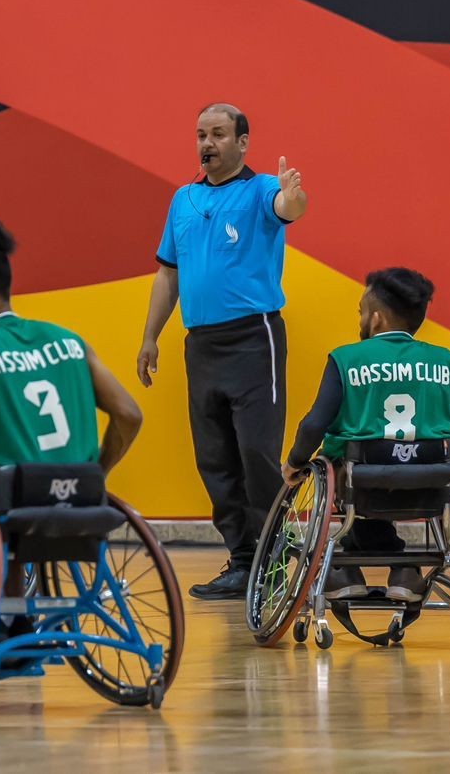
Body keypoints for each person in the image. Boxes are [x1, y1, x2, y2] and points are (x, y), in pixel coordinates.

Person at [137, 103, 308, 600]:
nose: (206, 144)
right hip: (202, 345)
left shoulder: (260, 190)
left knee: (256, 452)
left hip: (254, 338)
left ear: (242, 142)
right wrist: (150, 337)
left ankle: (274, 559)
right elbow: (167, 275)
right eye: (200, 135)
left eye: (218, 134)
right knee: (214, 458)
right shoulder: (183, 200)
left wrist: (293, 196)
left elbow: (289, 208)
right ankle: (242, 560)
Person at [282, 268, 450, 601]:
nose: (360, 319)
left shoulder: (346, 358)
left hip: (359, 481)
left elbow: (313, 426)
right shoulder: (445, 361)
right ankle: (404, 571)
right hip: (431, 481)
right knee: (370, 474)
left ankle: (348, 571)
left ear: (377, 318)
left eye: (362, 312)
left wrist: (295, 462)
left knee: (343, 466)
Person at [0, 222, 144, 522]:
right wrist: (97, 475)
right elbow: (129, 414)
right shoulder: (69, 341)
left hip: (10, 497)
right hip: (78, 491)